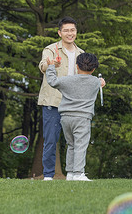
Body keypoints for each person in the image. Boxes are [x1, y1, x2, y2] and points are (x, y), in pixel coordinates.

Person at [37, 17, 84, 181]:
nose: (70, 33)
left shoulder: (81, 54)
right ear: (59, 32)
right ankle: (48, 176)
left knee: (76, 140)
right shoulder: (50, 49)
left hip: (74, 103)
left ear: (76, 32)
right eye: (66, 30)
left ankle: (74, 173)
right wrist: (51, 64)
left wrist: (98, 82)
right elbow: (43, 65)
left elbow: (85, 77)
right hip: (53, 102)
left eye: (72, 30)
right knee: (51, 140)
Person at [46, 53, 105, 181]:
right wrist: (101, 82)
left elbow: (52, 81)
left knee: (71, 145)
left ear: (76, 66)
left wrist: (51, 67)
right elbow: (101, 83)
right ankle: (78, 173)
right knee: (80, 145)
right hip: (82, 118)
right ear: (94, 69)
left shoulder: (67, 80)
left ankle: (71, 173)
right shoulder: (96, 81)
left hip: (66, 118)